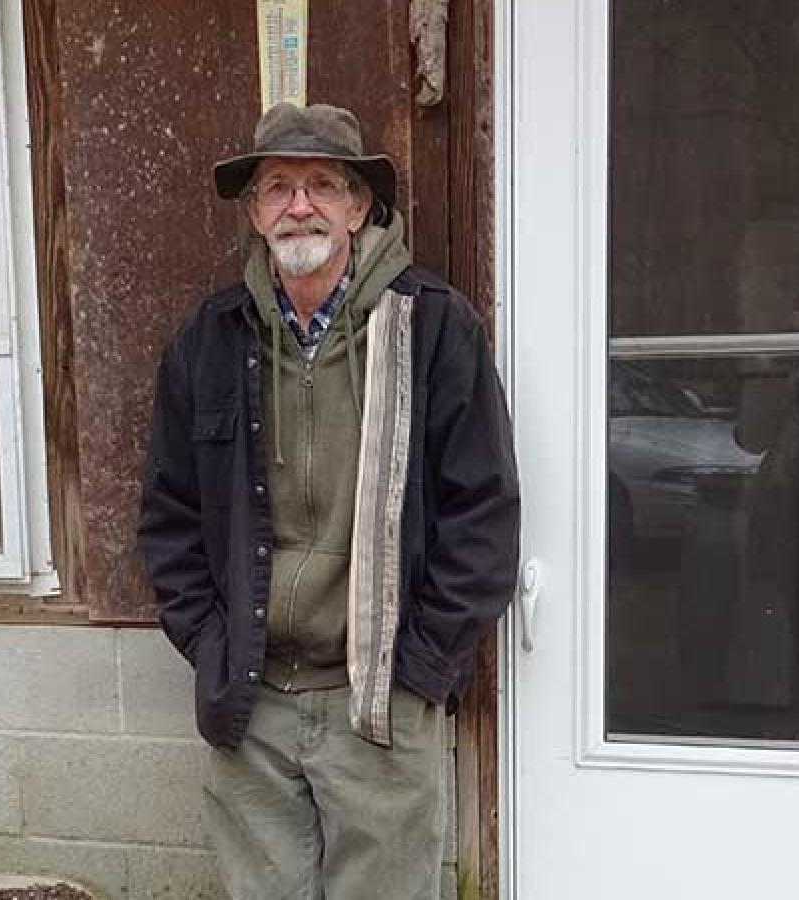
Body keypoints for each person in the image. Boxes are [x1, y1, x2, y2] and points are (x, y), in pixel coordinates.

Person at [137, 102, 520, 899]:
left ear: (359, 207)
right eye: (277, 187)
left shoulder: (434, 328)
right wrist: (211, 645)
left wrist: (420, 669)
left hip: (379, 699)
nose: (298, 204)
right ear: (254, 212)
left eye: (321, 184)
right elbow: (168, 514)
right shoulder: (210, 340)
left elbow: (482, 514)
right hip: (253, 701)